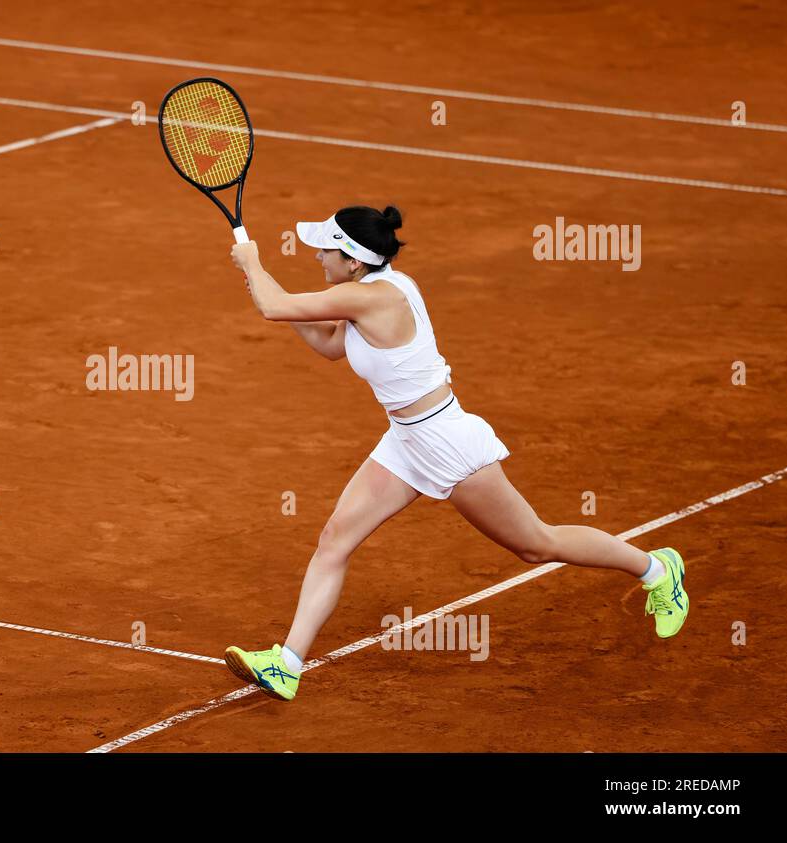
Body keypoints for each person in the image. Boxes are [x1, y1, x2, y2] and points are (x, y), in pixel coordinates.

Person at [223, 205, 689, 701]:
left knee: (535, 544)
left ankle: (658, 570)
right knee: (334, 539)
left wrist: (254, 264)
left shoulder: (371, 297)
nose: (317, 255)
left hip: (448, 442)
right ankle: (287, 664)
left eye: (326, 249)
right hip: (405, 439)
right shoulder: (368, 292)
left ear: (354, 262)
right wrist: (261, 283)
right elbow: (329, 345)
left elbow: (278, 307)